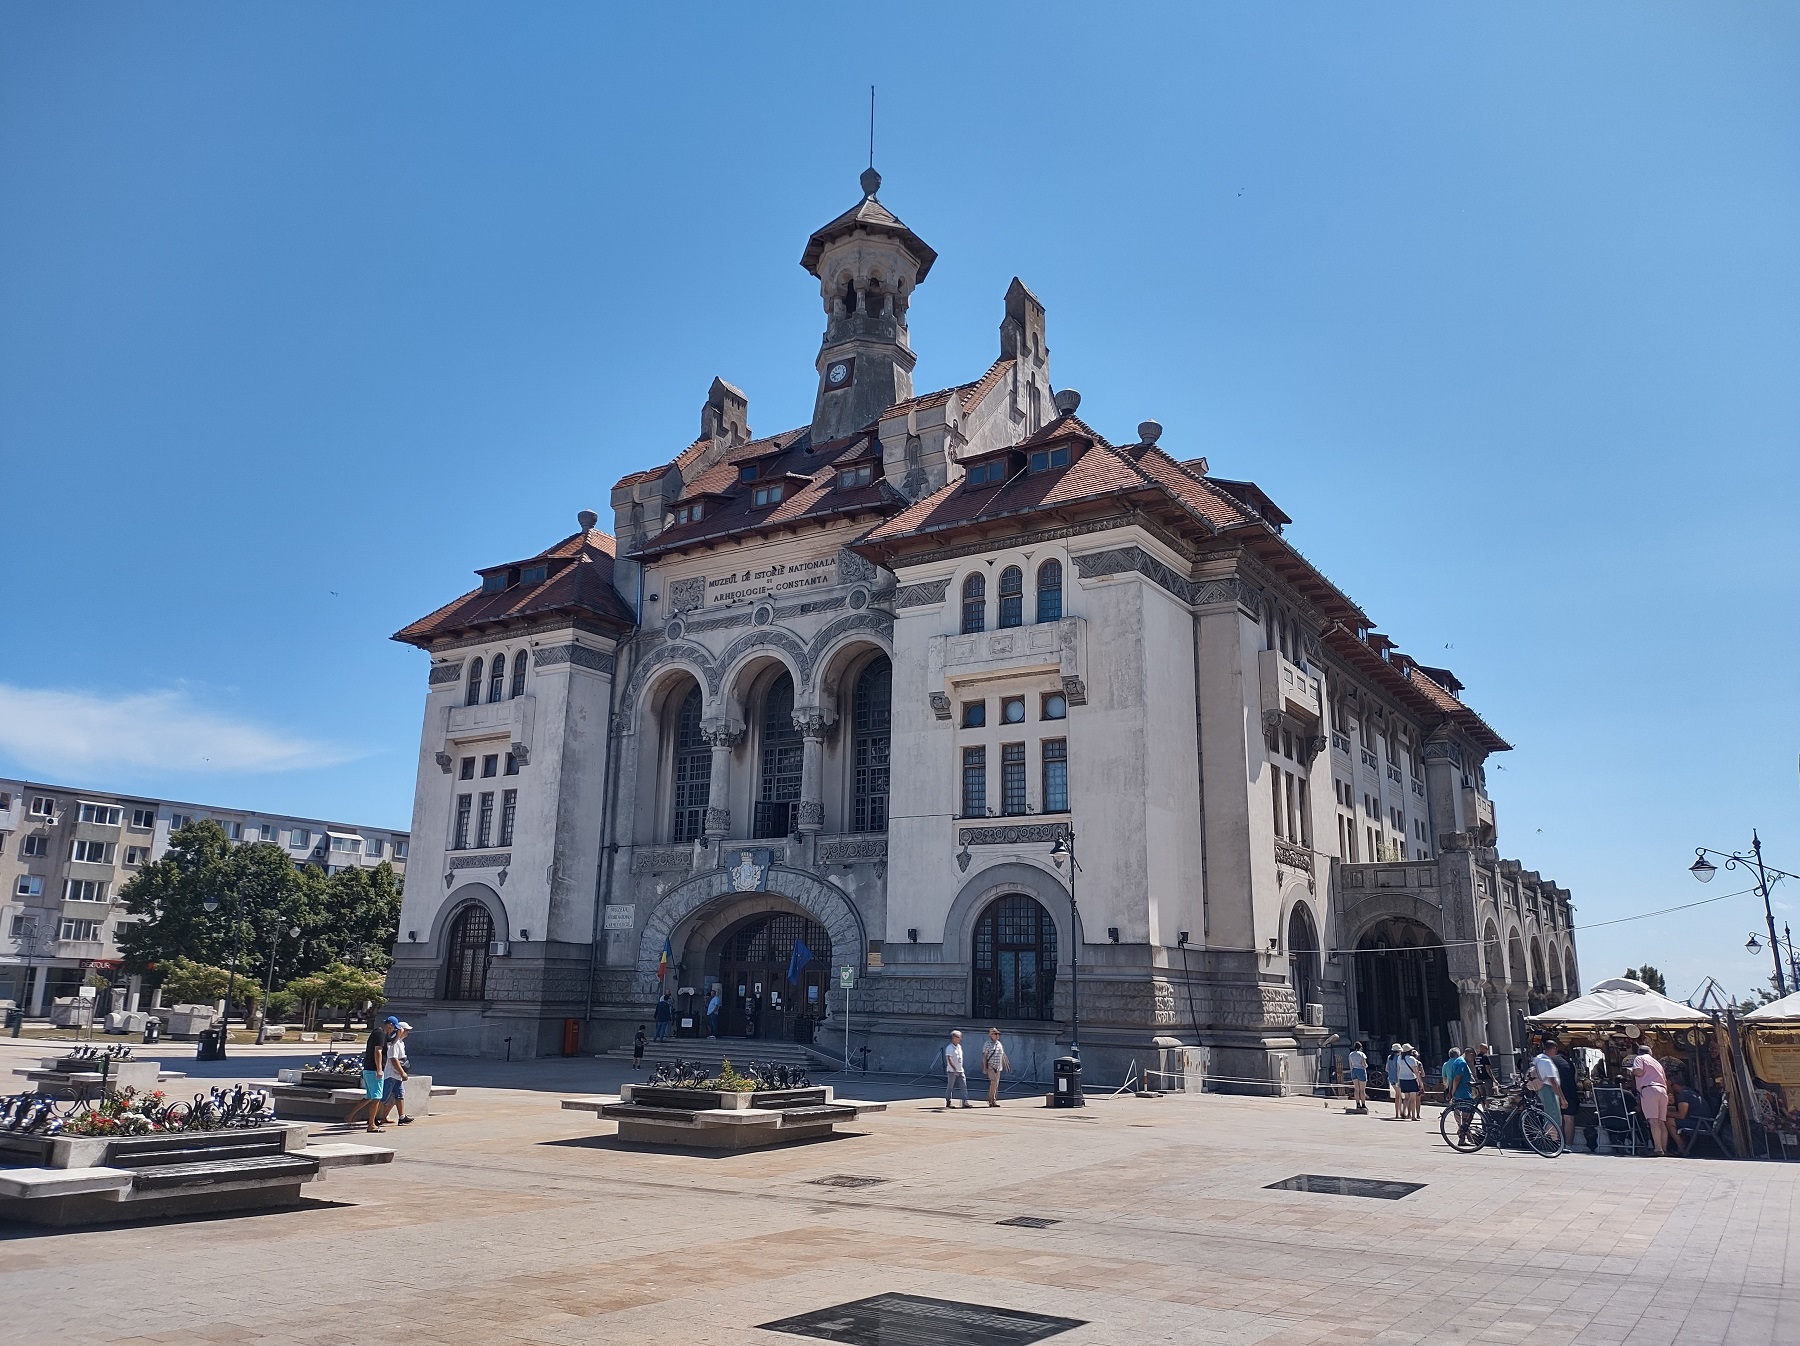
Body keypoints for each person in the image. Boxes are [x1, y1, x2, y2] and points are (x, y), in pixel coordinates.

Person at [1626, 1042, 1670, 1155]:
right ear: (1650, 1053)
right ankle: (1664, 1149)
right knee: (1661, 1122)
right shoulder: (1657, 1063)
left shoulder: (1639, 1058)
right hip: (1662, 1090)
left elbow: (1639, 1072)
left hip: (1649, 1089)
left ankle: (1658, 1149)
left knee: (1653, 1121)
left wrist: (1632, 1071)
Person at [346, 1018, 387, 1134]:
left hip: (368, 1069)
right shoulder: (380, 1034)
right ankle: (371, 1124)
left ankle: (350, 1116)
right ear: (390, 1025)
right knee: (376, 1098)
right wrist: (379, 1069)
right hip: (374, 1071)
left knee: (369, 1097)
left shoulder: (377, 1032)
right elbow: (378, 1051)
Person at [1529, 1043, 1567, 1150]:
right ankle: (1555, 1143)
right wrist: (1562, 1098)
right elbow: (1553, 1081)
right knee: (1554, 1116)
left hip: (1541, 1088)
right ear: (1554, 1048)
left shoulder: (1538, 1059)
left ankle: (1552, 1141)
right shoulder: (1547, 1062)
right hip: (1549, 1088)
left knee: (1548, 1114)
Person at [377, 1018, 414, 1126]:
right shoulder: (395, 1043)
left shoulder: (400, 1043)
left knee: (399, 1095)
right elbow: (393, 1059)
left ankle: (401, 1116)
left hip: (396, 1075)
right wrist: (402, 1072)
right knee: (384, 1097)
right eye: (406, 1030)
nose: (407, 1033)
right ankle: (375, 1117)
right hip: (391, 1075)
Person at [1670, 1070, 1714, 1156]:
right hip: (1704, 1122)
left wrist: (1663, 1114)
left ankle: (1682, 1148)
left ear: (1675, 1085)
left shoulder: (1683, 1094)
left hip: (1700, 1123)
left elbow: (1681, 1115)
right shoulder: (1690, 1091)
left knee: (1669, 1121)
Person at [1546, 1040, 1579, 1153]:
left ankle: (1558, 1144)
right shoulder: (1568, 1062)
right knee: (1569, 1119)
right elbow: (1575, 1077)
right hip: (1570, 1091)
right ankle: (1568, 1146)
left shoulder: (1549, 1061)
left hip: (1555, 1092)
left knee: (1556, 1119)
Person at [981, 1027, 1008, 1107]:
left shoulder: (999, 1044)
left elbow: (1002, 1054)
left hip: (998, 1067)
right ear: (991, 1035)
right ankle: (990, 1100)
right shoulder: (987, 1044)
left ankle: (994, 1100)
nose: (997, 1035)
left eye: (998, 1034)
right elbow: (984, 1056)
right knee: (993, 1082)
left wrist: (1006, 1063)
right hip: (991, 1066)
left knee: (996, 1084)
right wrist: (984, 1067)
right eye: (995, 1034)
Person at [944, 1029, 970, 1109]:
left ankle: (965, 1102)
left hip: (960, 1070)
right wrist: (954, 1068)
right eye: (959, 1037)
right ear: (954, 1038)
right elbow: (949, 1059)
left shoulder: (959, 1047)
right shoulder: (949, 1048)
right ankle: (948, 1101)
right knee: (950, 1086)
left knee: (964, 1086)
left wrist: (959, 1068)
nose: (960, 1039)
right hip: (952, 1071)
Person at [1396, 1044, 1423, 1120]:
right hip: (1411, 1079)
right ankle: (1413, 1116)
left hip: (1402, 1079)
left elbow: (1398, 1070)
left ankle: (1405, 1113)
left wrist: (1398, 1081)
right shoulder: (1412, 1059)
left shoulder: (1399, 1058)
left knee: (1406, 1098)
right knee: (1413, 1099)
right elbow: (1416, 1072)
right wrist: (1420, 1082)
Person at [1347, 1041, 1369, 1113]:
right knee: (1362, 1090)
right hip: (1361, 1070)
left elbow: (1350, 1064)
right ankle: (1363, 1104)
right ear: (1360, 1047)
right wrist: (1366, 1066)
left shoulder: (1351, 1054)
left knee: (1356, 1089)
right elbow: (1364, 1064)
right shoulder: (1362, 1054)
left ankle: (1357, 1104)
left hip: (1354, 1070)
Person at [1385, 1044, 1404, 1119]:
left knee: (1397, 1096)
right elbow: (1399, 1069)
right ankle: (1399, 1112)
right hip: (1397, 1078)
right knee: (1399, 1096)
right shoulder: (1399, 1058)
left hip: (1391, 1077)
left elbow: (1386, 1068)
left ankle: (1398, 1113)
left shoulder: (1389, 1057)